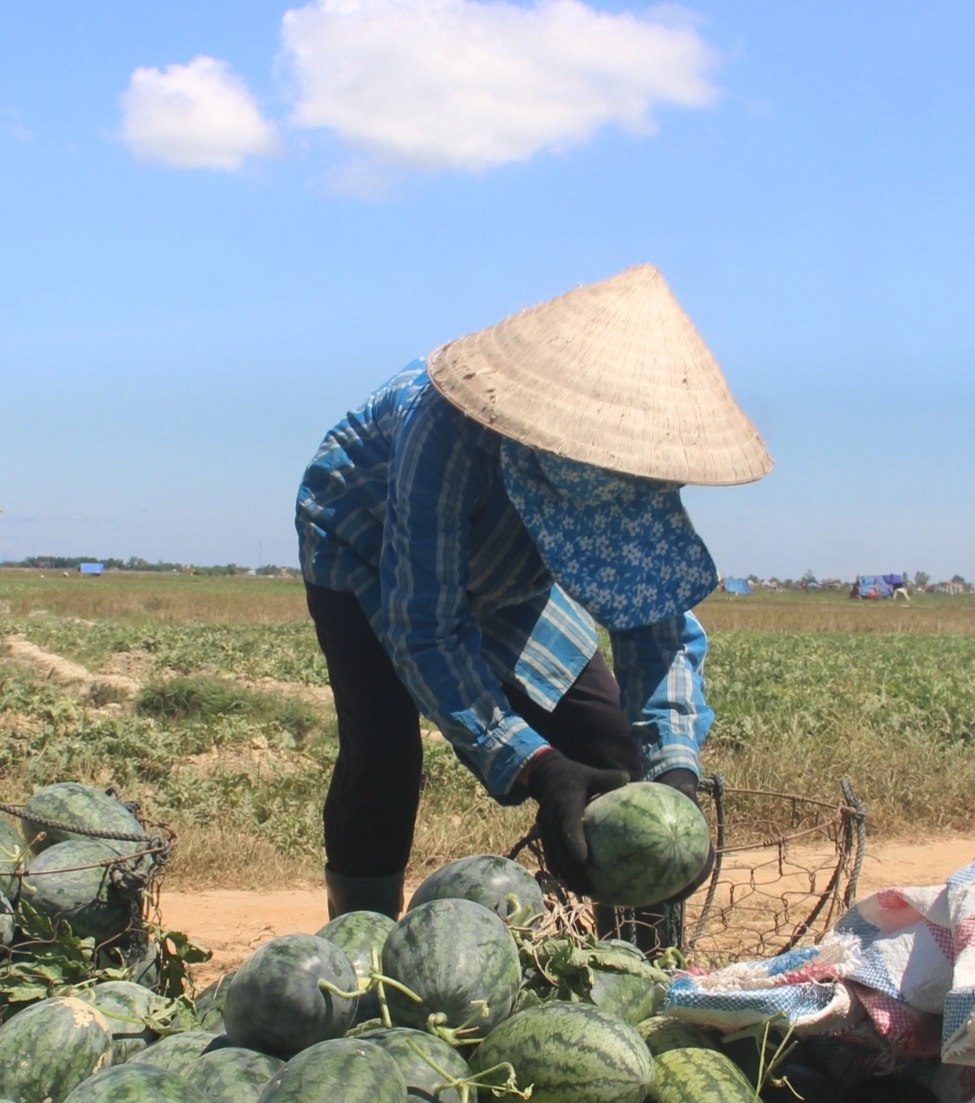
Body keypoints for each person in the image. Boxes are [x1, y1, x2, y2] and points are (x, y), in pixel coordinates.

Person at [293, 264, 773, 921]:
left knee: (610, 744)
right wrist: (538, 767)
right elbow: (426, 632)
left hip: (514, 572)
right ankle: (360, 939)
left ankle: (638, 958)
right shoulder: (446, 428)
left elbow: (654, 621)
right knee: (384, 750)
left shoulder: (635, 462)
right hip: (366, 540)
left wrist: (674, 773)